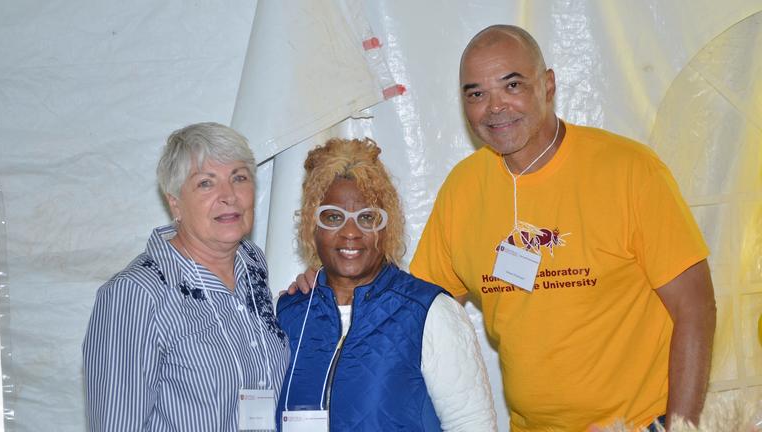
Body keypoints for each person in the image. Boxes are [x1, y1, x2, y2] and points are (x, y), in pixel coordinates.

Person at [292, 26, 716, 432]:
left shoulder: (629, 171)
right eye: (476, 94)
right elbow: (408, 307)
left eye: (512, 86)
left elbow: (695, 309)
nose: (494, 107)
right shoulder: (464, 188)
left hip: (638, 425)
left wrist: (678, 428)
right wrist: (332, 287)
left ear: (548, 85)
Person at [276, 138, 496, 431]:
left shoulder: (430, 313)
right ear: (311, 227)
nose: (350, 232)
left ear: (387, 227)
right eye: (333, 217)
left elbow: (471, 424)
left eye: (367, 218)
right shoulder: (288, 314)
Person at [83, 122, 289, 431]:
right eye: (206, 183)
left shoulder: (252, 264)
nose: (228, 195)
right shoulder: (134, 294)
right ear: (175, 202)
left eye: (239, 178)